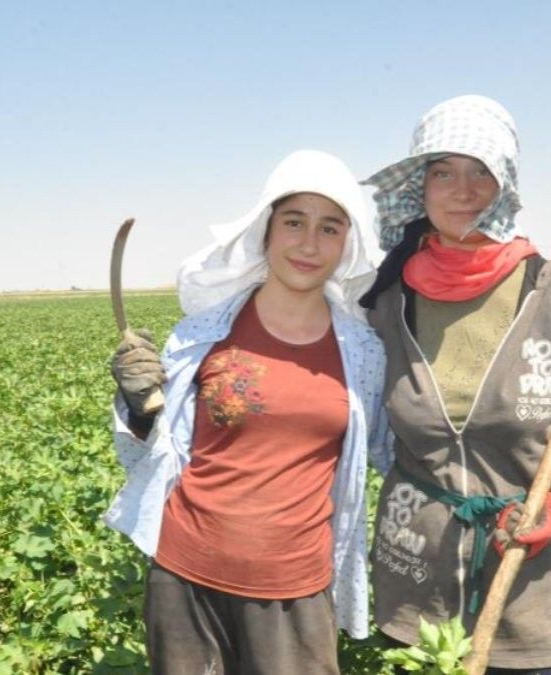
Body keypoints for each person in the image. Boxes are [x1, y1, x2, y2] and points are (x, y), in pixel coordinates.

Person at [359, 95, 551, 672]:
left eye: (481, 172)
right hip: (415, 593)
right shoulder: (386, 303)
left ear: (505, 185)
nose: (462, 191)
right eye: (443, 172)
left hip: (531, 592)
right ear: (419, 187)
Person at [104, 149, 390, 674]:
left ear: (347, 244)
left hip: (296, 588)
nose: (309, 244)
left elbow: (391, 450)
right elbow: (151, 446)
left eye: (329, 228)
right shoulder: (203, 333)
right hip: (185, 580)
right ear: (266, 232)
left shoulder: (364, 351)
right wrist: (137, 406)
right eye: (294, 222)